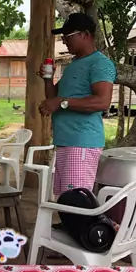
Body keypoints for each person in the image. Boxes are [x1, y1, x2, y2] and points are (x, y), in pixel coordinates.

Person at [39, 12, 116, 196]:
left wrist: (61, 102)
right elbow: (54, 98)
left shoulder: (100, 64)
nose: (64, 41)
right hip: (66, 142)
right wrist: (48, 79)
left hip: (81, 144)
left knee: (76, 201)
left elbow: (102, 102)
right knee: (65, 200)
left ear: (86, 35)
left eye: (68, 36)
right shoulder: (74, 65)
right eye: (63, 37)